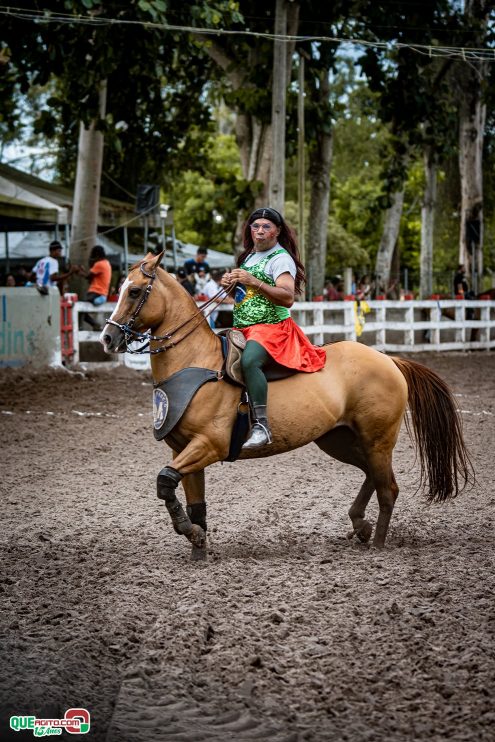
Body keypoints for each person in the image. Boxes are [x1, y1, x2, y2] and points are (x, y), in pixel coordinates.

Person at [221, 206, 326, 450]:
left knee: (249, 362)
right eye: (255, 226)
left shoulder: (280, 259)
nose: (260, 231)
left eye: (266, 227)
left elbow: (287, 297)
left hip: (272, 327)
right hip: (242, 327)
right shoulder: (248, 257)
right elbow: (243, 295)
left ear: (277, 231)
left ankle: (262, 426)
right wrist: (230, 285)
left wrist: (253, 281)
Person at [79, 245, 112, 330]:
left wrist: (78, 271)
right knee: (83, 313)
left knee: (81, 309)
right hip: (103, 293)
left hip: (96, 292)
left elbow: (87, 276)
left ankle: (80, 327)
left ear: (97, 255)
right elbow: (91, 278)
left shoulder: (99, 264)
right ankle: (95, 325)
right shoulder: (107, 263)